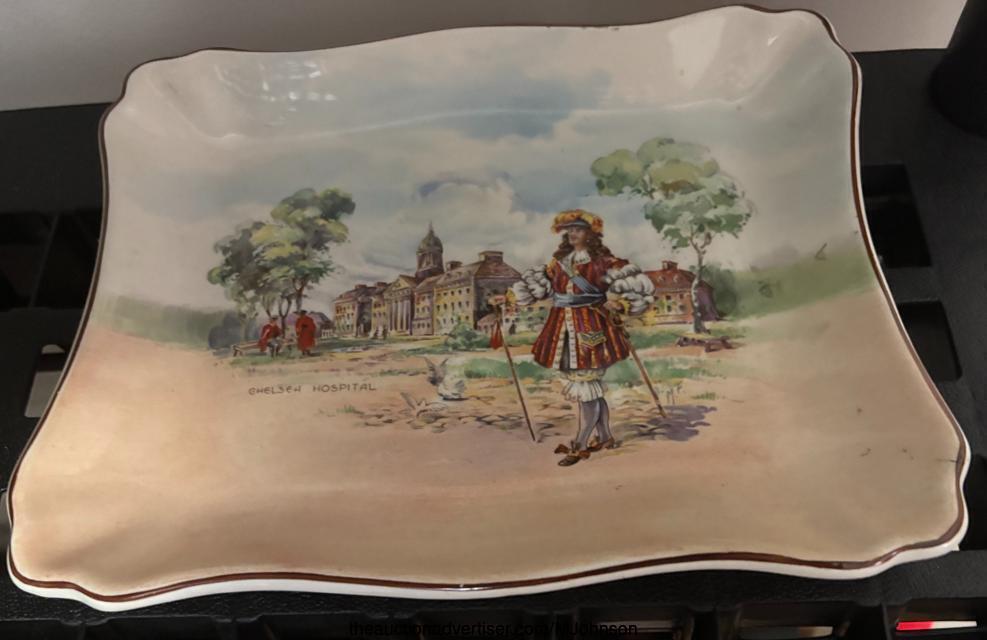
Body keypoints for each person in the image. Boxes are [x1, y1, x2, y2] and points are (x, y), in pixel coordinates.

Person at [490, 209, 655, 467]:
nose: (572, 234)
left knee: (587, 389)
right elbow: (537, 289)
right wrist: (508, 298)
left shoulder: (605, 262)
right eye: (569, 230)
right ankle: (605, 437)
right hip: (562, 330)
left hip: (591, 328)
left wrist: (620, 303)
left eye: (578, 229)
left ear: (590, 234)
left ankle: (580, 444)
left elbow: (636, 287)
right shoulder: (558, 263)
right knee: (591, 390)